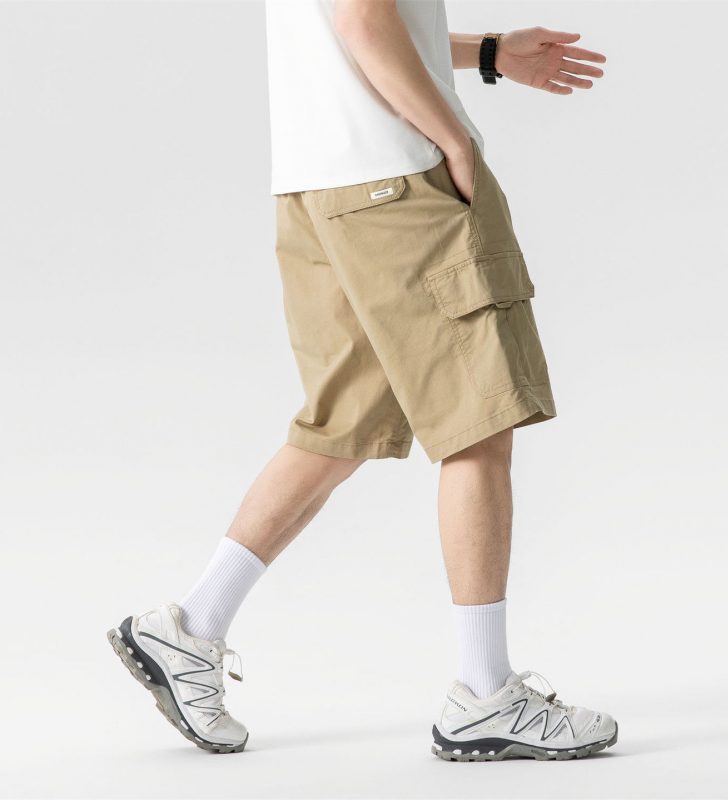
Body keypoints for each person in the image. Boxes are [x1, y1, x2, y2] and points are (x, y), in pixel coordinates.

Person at [108, 0, 614, 761]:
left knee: (343, 424)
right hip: (396, 182)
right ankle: (485, 695)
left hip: (318, 186)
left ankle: (189, 628)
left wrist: (485, 53)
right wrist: (450, 138)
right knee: (478, 421)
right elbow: (362, 19)